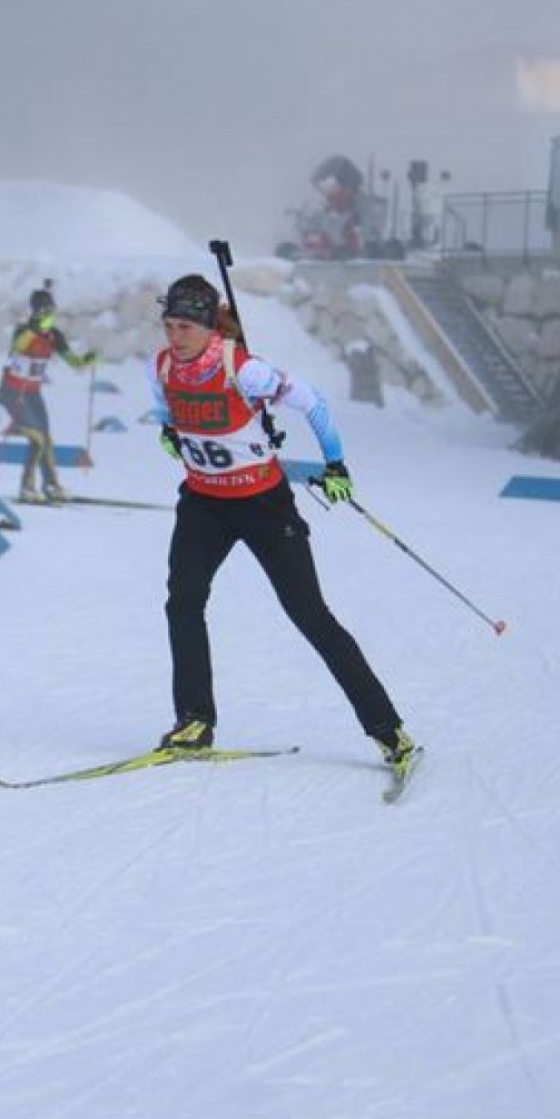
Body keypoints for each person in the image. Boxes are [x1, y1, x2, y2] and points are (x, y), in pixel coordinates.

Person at [147, 273, 417, 773]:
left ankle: (390, 732)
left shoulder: (244, 369)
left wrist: (334, 463)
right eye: (169, 324)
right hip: (203, 503)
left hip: (263, 505)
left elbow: (313, 403)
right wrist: (169, 432)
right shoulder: (162, 364)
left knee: (310, 615)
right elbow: (165, 410)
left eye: (185, 326)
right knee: (183, 601)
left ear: (209, 327)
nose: (175, 335)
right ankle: (194, 721)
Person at [0, 281, 95, 503]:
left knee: (46, 440)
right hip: (12, 393)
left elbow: (74, 362)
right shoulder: (23, 330)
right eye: (44, 312)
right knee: (37, 439)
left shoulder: (54, 335)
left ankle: (51, 485)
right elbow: (19, 346)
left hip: (33, 394)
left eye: (51, 312)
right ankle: (26, 488)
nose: (49, 316)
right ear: (36, 312)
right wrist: (35, 329)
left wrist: (87, 360)